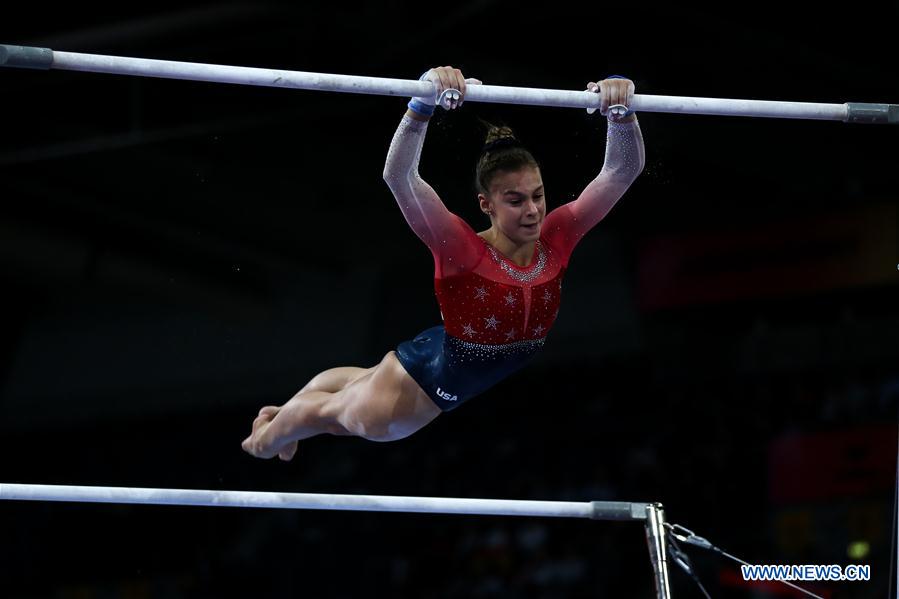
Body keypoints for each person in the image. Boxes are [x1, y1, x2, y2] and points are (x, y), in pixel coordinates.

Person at [242, 66, 645, 461]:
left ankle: (285, 415)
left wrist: (621, 114)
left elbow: (621, 171)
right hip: (411, 397)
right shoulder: (462, 249)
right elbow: (400, 177)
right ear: (486, 204)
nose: (532, 211)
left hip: (442, 351)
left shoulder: (558, 237)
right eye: (515, 200)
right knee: (329, 416)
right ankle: (264, 438)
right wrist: (420, 106)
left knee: (357, 384)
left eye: (538, 195)